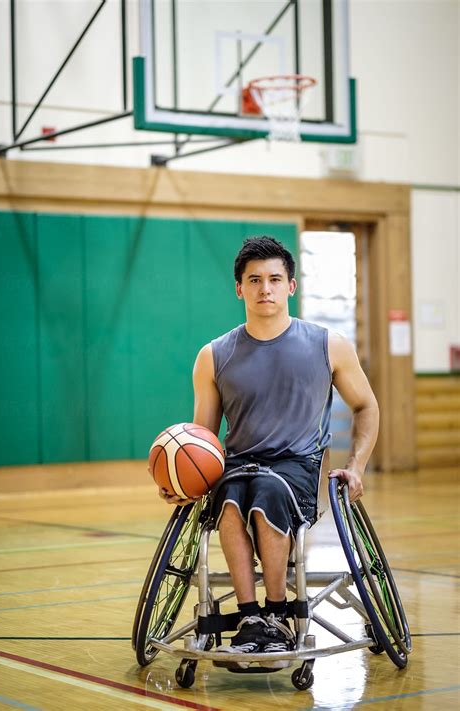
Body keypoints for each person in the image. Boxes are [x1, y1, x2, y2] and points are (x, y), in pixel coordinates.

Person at [159, 235, 379, 666]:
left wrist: (357, 466)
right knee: (228, 504)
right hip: (240, 466)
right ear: (238, 288)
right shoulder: (214, 355)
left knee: (267, 496)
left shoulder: (327, 344)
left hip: (300, 466)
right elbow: (202, 439)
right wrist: (183, 482)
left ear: (291, 287)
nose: (266, 289)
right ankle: (251, 619)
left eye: (275, 279)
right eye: (254, 280)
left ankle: (277, 613)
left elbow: (366, 405)